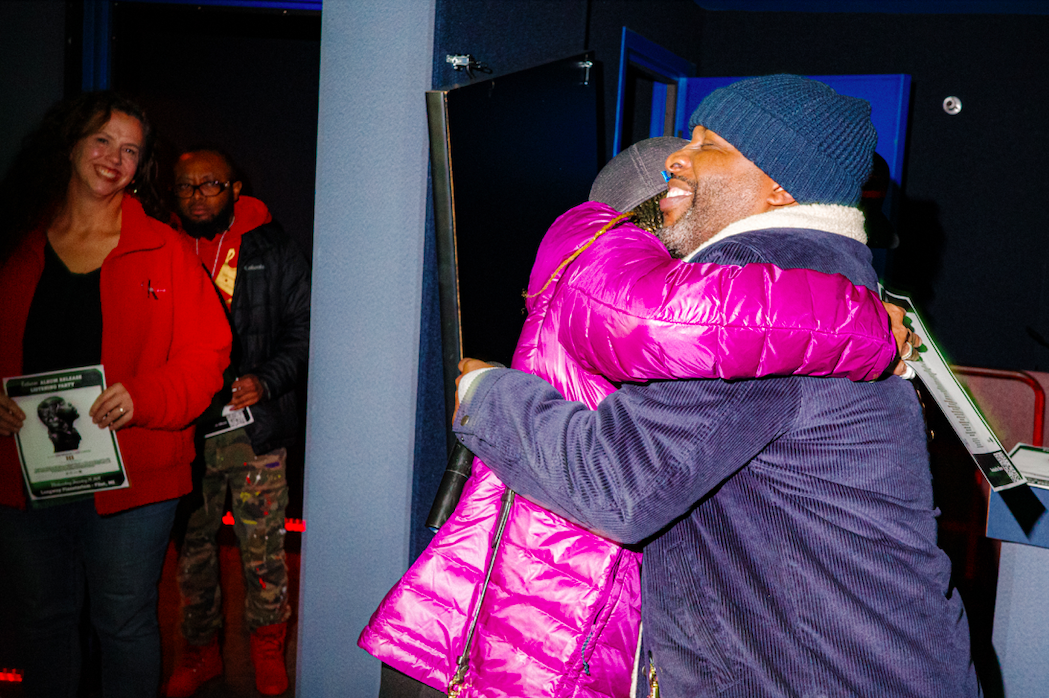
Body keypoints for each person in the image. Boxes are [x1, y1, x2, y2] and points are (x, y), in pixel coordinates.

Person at [452, 75, 979, 697]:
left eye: (709, 144)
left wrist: (485, 391)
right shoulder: (827, 280)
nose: (676, 155)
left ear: (781, 188)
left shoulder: (753, 287)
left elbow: (615, 482)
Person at [360, 137, 908, 698]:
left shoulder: (644, 284)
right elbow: (662, 319)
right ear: (653, 205)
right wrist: (859, 318)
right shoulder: (602, 247)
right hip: (520, 623)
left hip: (555, 614)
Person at [0, 92, 231, 698]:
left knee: (124, 625)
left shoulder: (167, 249)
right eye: (103, 140)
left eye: (131, 150)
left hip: (136, 476)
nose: (115, 158)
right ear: (72, 143)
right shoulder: (13, 242)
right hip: (25, 476)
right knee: (42, 623)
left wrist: (146, 396)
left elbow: (209, 356)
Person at [165, 149, 310, 697]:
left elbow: (304, 327)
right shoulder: (164, 247)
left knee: (264, 552)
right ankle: (199, 654)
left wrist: (266, 380)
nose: (197, 195)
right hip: (185, 429)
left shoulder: (273, 247)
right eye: (185, 187)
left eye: (210, 184)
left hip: (256, 429)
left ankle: (267, 650)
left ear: (235, 189)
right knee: (192, 554)